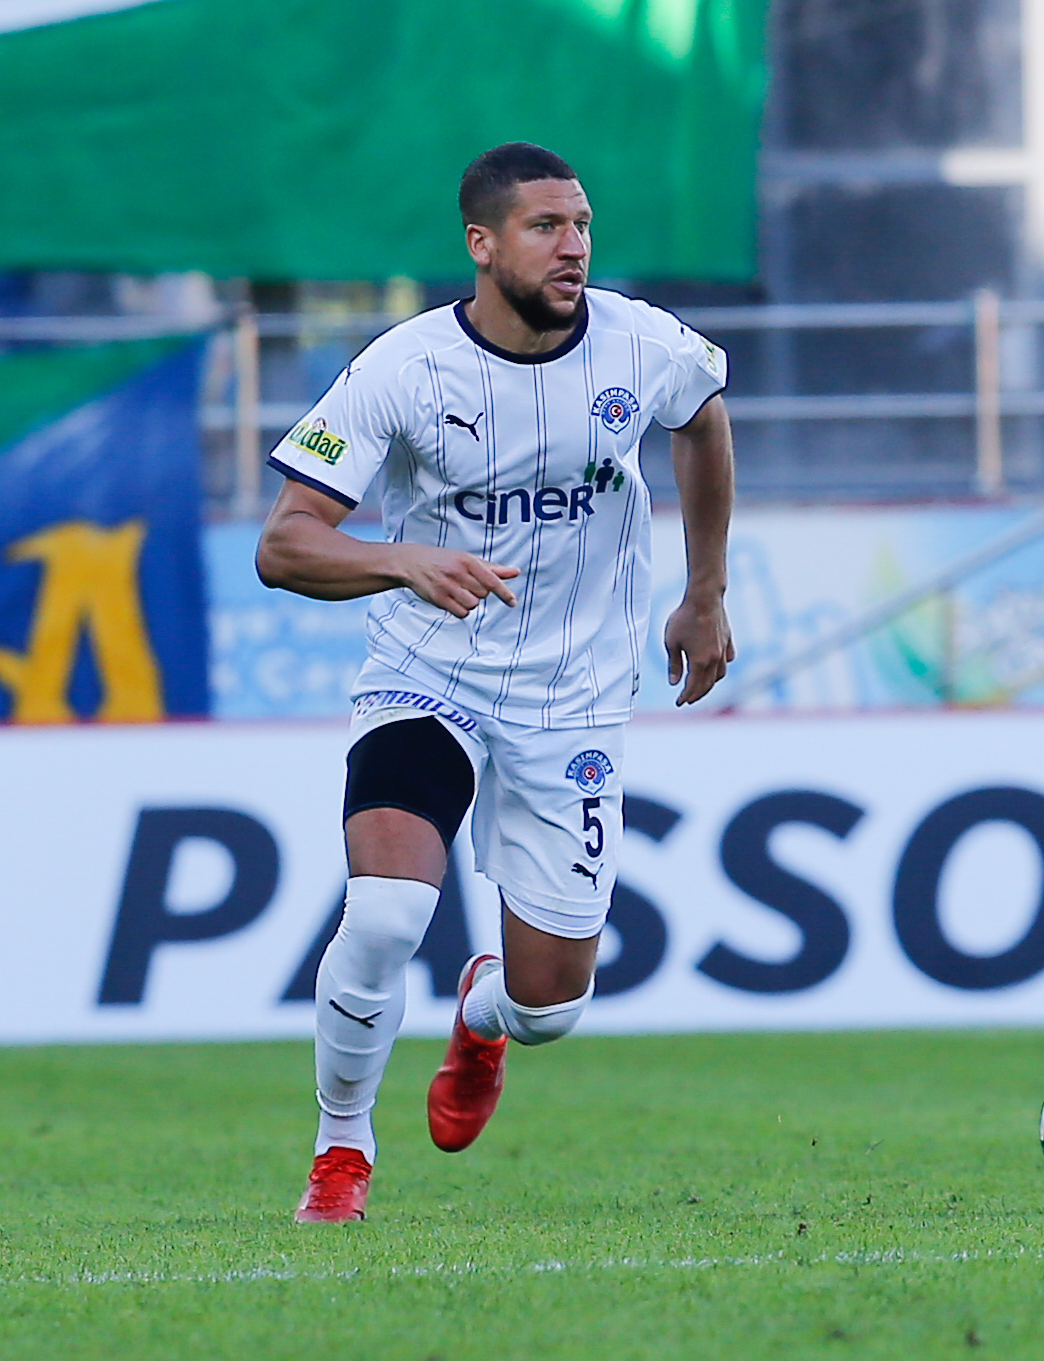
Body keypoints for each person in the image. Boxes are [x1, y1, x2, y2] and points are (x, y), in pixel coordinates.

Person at [256, 142, 736, 1223]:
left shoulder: (639, 343)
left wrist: (704, 591)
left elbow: (703, 417)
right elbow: (284, 545)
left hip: (574, 699)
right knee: (385, 913)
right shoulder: (403, 368)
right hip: (430, 678)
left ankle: (480, 1014)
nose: (574, 247)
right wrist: (402, 560)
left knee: (549, 1007)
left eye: (582, 225)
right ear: (481, 244)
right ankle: (341, 1150)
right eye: (545, 227)